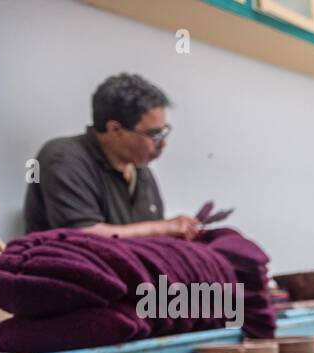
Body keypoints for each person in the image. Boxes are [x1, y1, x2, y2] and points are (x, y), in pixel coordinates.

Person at [23, 73, 198, 239]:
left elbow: (146, 237)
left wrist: (175, 230)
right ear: (115, 129)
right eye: (153, 134)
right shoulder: (63, 159)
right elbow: (81, 236)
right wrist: (160, 229)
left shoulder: (141, 170)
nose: (163, 144)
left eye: (163, 132)